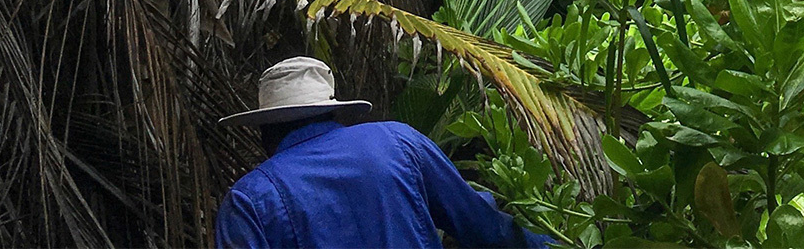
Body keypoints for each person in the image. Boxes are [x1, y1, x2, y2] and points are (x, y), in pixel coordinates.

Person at [215, 56, 553, 248]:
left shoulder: (249, 199)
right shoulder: (397, 141)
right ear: (335, 111)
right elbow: (484, 227)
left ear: (263, 131)